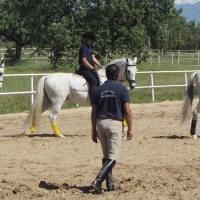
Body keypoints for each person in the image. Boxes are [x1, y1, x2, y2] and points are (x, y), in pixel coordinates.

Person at [90, 63, 133, 194]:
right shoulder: (122, 89)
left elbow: (93, 112)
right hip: (114, 124)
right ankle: (98, 181)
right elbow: (127, 112)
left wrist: (94, 129)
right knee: (113, 157)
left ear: (107, 75)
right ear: (118, 75)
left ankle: (110, 184)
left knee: (106, 155)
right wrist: (130, 128)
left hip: (100, 123)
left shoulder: (98, 90)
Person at [78, 31, 102, 104]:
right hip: (84, 69)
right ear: (86, 39)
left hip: (89, 69)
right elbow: (84, 60)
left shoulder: (89, 47)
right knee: (94, 81)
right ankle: (93, 100)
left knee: (99, 79)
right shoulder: (83, 47)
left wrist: (101, 66)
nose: (91, 41)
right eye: (90, 40)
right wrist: (92, 68)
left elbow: (93, 58)